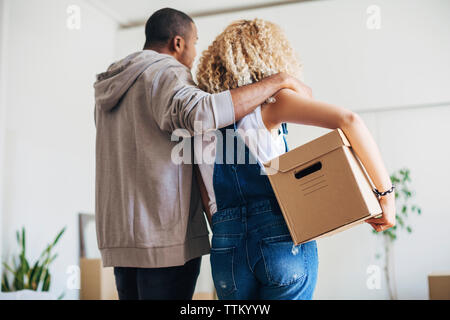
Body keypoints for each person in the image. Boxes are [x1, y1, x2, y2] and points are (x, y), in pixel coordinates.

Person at [93, 8, 309, 300]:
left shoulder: (112, 86)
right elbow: (200, 112)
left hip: (122, 242)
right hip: (164, 241)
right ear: (178, 43)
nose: (195, 53)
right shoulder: (165, 72)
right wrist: (278, 81)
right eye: (195, 42)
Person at [194, 18, 396, 300]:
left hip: (227, 249)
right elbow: (348, 120)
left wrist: (233, 231)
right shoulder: (271, 106)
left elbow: (207, 201)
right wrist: (385, 197)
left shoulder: (201, 126)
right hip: (279, 240)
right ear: (270, 57)